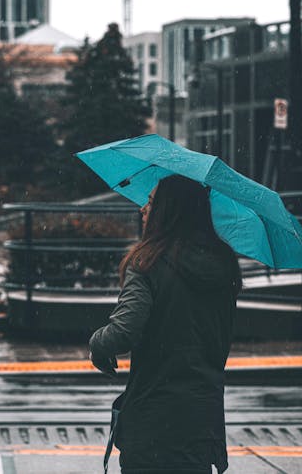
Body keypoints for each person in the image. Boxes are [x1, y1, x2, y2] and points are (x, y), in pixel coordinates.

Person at [89, 174, 242, 474]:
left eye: (149, 203)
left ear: (167, 212)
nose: (142, 210)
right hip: (201, 422)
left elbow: (123, 332)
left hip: (154, 422)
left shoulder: (148, 263)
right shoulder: (223, 265)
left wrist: (97, 343)